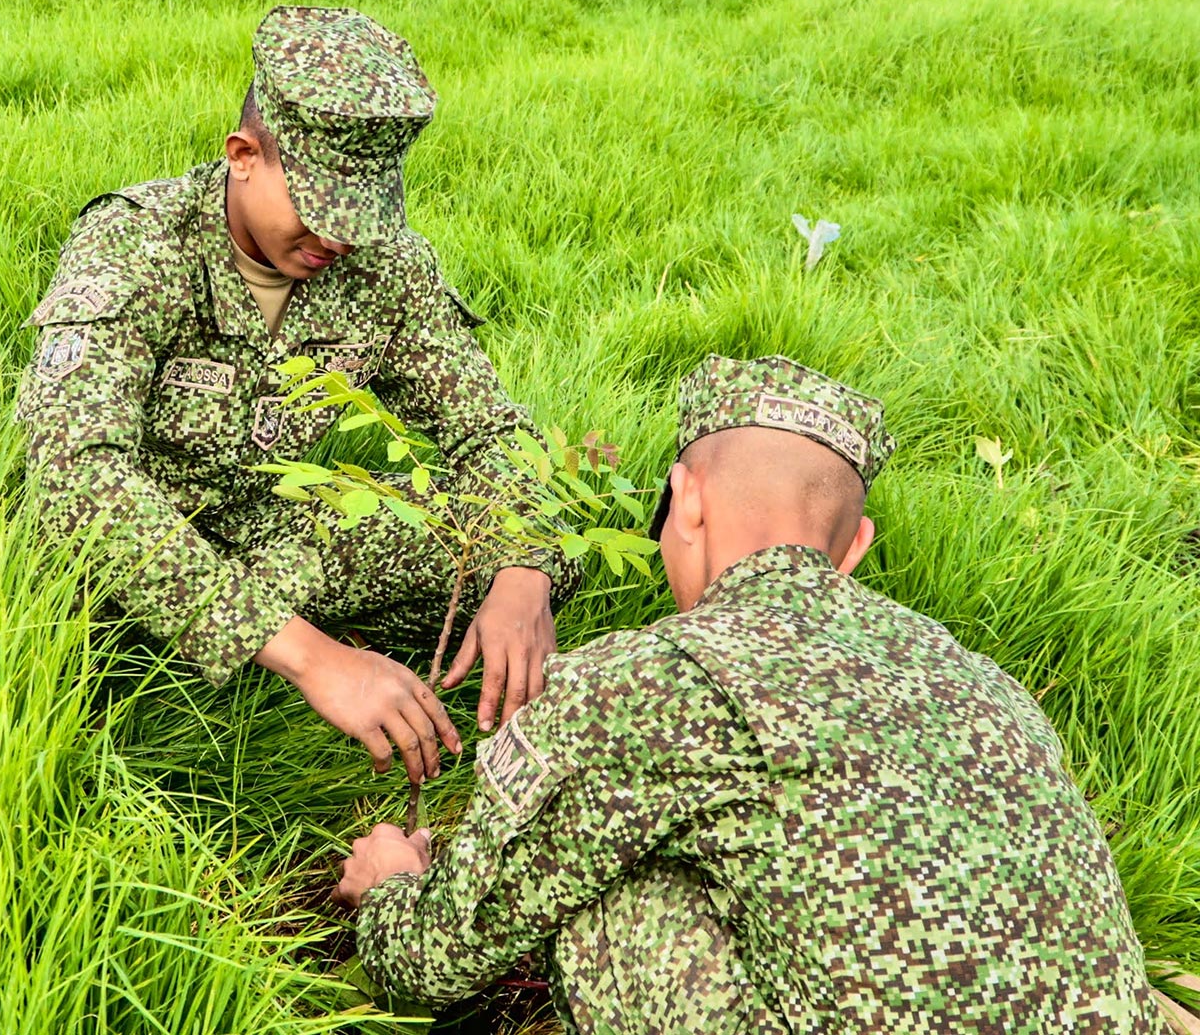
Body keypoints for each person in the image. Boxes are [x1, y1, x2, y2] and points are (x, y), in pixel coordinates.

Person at [338, 354, 1165, 1033]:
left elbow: (434, 959)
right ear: (855, 549)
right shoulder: (988, 678)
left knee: (600, 881)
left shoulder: (645, 683)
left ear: (686, 498)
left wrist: (388, 890)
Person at [16, 6, 581, 787]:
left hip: (268, 538)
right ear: (243, 155)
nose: (340, 240)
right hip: (116, 566)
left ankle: (288, 659)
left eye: (362, 215)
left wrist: (522, 570)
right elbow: (76, 477)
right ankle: (258, 664)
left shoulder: (385, 268)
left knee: (502, 549)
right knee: (79, 627)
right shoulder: (137, 246)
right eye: (320, 210)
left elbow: (488, 431)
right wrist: (316, 660)